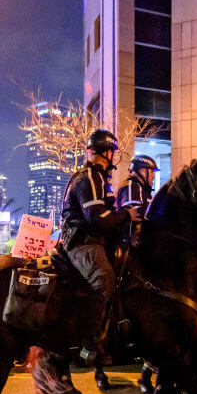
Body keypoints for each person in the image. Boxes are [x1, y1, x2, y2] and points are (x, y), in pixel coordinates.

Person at [60, 129, 137, 364]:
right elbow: (97, 218)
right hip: (83, 244)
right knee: (104, 278)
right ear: (106, 153)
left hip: (93, 241)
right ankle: (89, 344)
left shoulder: (100, 178)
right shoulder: (89, 177)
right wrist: (127, 215)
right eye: (112, 152)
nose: (113, 157)